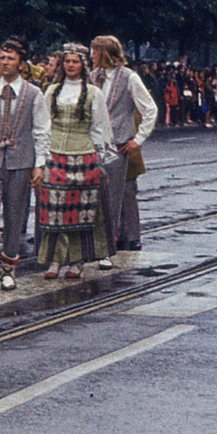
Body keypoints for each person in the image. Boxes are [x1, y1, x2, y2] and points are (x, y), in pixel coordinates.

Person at [0, 38, 50, 291]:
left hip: (21, 162)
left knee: (15, 216)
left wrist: (39, 164)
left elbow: (41, 131)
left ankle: (9, 268)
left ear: (21, 64)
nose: (5, 63)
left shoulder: (33, 94)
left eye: (11, 59)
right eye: (2, 58)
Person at [37, 45, 117, 277]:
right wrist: (41, 157)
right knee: (54, 210)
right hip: (55, 154)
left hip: (84, 155)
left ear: (83, 65)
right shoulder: (51, 91)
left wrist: (101, 161)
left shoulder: (94, 94)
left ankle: (77, 260)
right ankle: (54, 260)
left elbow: (100, 128)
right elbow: (43, 126)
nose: (71, 65)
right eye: (67, 61)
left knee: (81, 211)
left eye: (75, 61)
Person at [91, 36, 157, 253]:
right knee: (97, 192)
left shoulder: (129, 77)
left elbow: (150, 109)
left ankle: (122, 237)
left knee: (121, 192)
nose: (92, 57)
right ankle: (102, 235)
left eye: (95, 52)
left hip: (119, 143)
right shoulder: (93, 77)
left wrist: (137, 140)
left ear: (105, 53)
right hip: (95, 144)